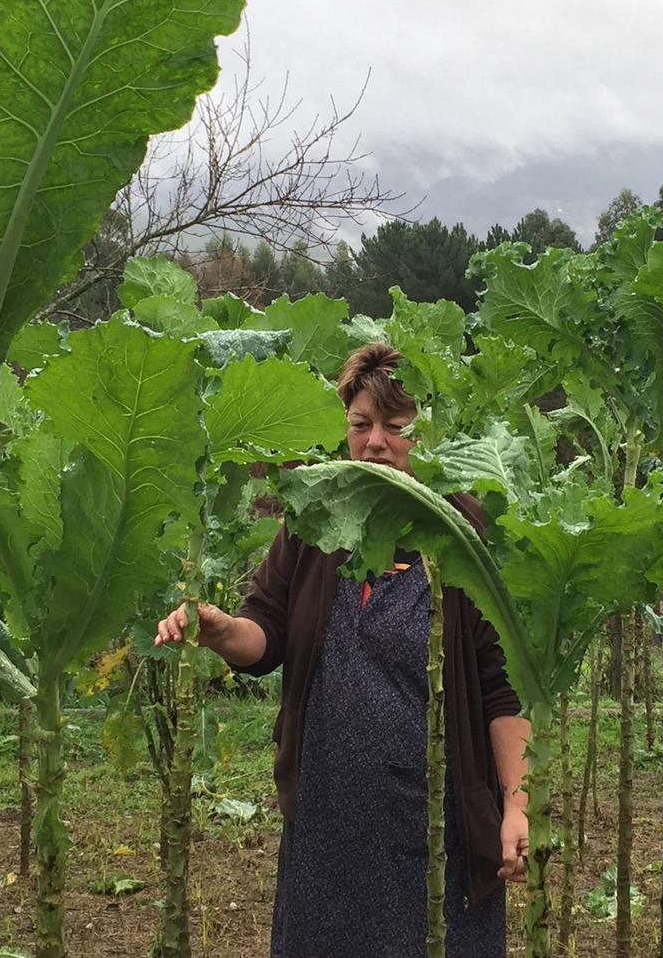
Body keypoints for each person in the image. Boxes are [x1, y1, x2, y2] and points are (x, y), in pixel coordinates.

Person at [153, 342, 532, 958]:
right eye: (360, 425)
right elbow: (266, 634)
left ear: (429, 434)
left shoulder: (467, 532)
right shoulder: (317, 518)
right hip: (329, 825)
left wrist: (517, 806)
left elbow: (501, 685)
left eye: (395, 427)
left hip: (438, 827)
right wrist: (221, 631)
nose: (375, 442)